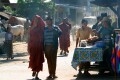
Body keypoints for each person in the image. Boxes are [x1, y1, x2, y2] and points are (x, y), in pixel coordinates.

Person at [28, 15, 45, 79]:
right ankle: (34, 70)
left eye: (37, 19)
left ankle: (37, 74)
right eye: (35, 19)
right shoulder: (31, 27)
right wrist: (28, 47)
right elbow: (29, 36)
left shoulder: (42, 28)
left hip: (40, 46)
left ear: (39, 20)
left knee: (39, 60)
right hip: (32, 46)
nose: (36, 21)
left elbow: (44, 37)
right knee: (33, 59)